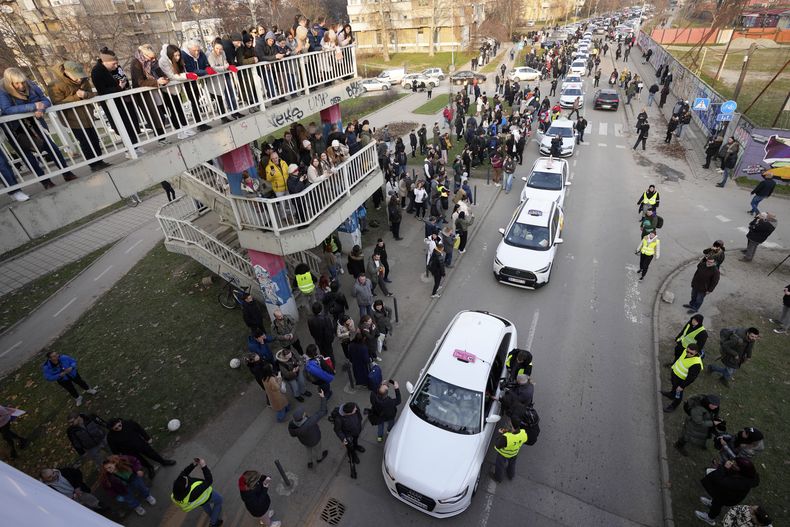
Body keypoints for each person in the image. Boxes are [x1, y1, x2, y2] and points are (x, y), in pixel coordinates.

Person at [1, 67, 77, 188]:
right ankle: (45, 181)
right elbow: (7, 109)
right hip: (15, 129)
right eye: (17, 83)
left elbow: (44, 100)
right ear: (10, 83)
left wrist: (41, 108)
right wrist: (32, 107)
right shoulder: (3, 90)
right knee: (28, 156)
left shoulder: (30, 85)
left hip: (35, 124)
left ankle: (66, 172)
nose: (21, 85)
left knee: (52, 148)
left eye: (22, 82)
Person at [48, 61, 111, 169]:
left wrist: (86, 94)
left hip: (87, 114)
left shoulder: (84, 81)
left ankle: (99, 161)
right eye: (76, 77)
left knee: (94, 139)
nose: (79, 79)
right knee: (85, 141)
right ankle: (93, 164)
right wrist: (77, 96)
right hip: (73, 118)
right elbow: (57, 103)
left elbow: (91, 94)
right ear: (66, 72)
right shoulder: (55, 85)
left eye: (80, 76)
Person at [695, 458, 760, 525]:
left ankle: (710, 518)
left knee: (717, 504)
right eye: (734, 462)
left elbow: (721, 482)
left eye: (736, 464)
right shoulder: (746, 474)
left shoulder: (741, 482)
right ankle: (711, 503)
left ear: (742, 469)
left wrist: (724, 468)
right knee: (716, 500)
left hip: (728, 497)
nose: (733, 464)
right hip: (729, 492)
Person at [106, 418, 176, 479]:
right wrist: (119, 456)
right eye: (116, 428)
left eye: (119, 425)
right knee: (140, 460)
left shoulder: (129, 423)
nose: (119, 428)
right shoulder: (110, 437)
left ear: (120, 421)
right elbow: (114, 448)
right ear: (112, 429)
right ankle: (150, 468)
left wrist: (147, 438)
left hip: (140, 444)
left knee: (151, 453)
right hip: (129, 452)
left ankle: (163, 461)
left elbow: (139, 429)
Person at [171, 458, 223, 527]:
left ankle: (213, 517)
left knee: (205, 505)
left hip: (199, 500)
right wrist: (204, 466)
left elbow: (184, 473)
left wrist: (193, 464)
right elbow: (209, 480)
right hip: (207, 496)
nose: (186, 477)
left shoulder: (178, 487)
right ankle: (213, 523)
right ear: (186, 487)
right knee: (219, 500)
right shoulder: (194, 491)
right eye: (186, 480)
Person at [288, 389, 329, 469]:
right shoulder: (310, 422)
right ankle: (319, 458)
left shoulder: (292, 424)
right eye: (304, 413)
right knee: (318, 449)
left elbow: (292, 434)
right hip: (315, 439)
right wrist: (323, 397)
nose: (305, 412)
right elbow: (322, 411)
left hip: (304, 441)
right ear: (303, 416)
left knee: (308, 450)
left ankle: (309, 462)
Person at [661, 343, 703, 412]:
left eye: (691, 353)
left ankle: (673, 406)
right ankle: (671, 395)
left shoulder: (696, 364)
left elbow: (691, 378)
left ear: (696, 352)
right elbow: (680, 360)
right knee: (674, 387)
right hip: (675, 375)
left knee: (678, 394)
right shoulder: (685, 351)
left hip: (681, 381)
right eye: (687, 351)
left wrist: (681, 386)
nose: (688, 354)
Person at [40, 467, 104, 511]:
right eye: (49, 477)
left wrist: (77, 487)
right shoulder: (45, 488)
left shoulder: (64, 471)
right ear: (44, 479)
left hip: (80, 492)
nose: (53, 476)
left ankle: (101, 507)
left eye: (53, 473)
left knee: (92, 500)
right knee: (85, 511)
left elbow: (78, 473)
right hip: (71, 501)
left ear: (53, 470)